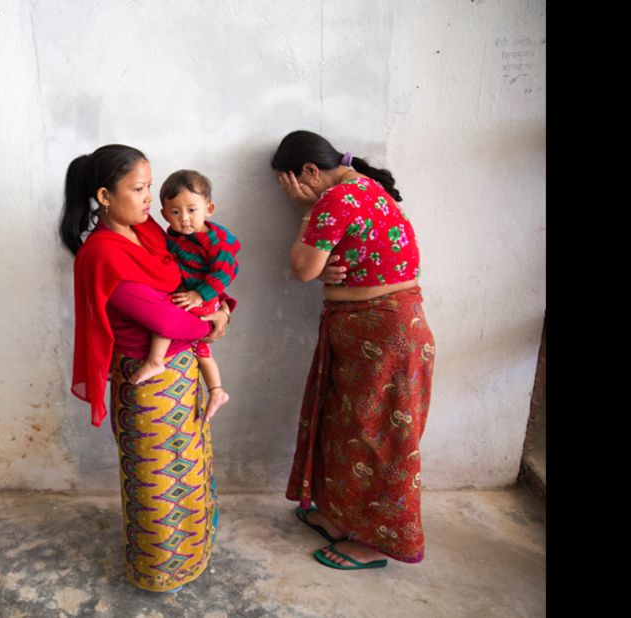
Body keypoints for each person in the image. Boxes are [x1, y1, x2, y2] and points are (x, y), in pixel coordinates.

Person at [61, 144, 233, 592]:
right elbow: (163, 316)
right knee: (156, 487)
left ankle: (195, 555)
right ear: (104, 194)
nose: (148, 200)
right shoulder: (103, 254)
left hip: (181, 374)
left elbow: (190, 280)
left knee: (191, 469)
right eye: (138, 189)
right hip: (147, 384)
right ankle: (158, 573)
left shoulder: (151, 233)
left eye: (149, 187)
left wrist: (220, 306)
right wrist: (212, 317)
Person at [271, 130, 435, 570]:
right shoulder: (367, 186)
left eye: (291, 184)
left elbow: (304, 268)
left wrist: (307, 211)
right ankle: (340, 517)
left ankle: (374, 543)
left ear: (308, 172)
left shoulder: (334, 200)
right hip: (376, 337)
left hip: (384, 339)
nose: (292, 193)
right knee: (349, 430)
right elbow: (355, 257)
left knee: (378, 438)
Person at [128, 170, 241, 423]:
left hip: (203, 298)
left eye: (192, 210)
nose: (185, 219)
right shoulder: (172, 237)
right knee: (202, 351)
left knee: (167, 316)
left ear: (208, 208)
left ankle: (156, 360)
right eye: (176, 212)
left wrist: (199, 296)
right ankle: (216, 390)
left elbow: (225, 272)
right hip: (197, 298)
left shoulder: (216, 241)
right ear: (164, 214)